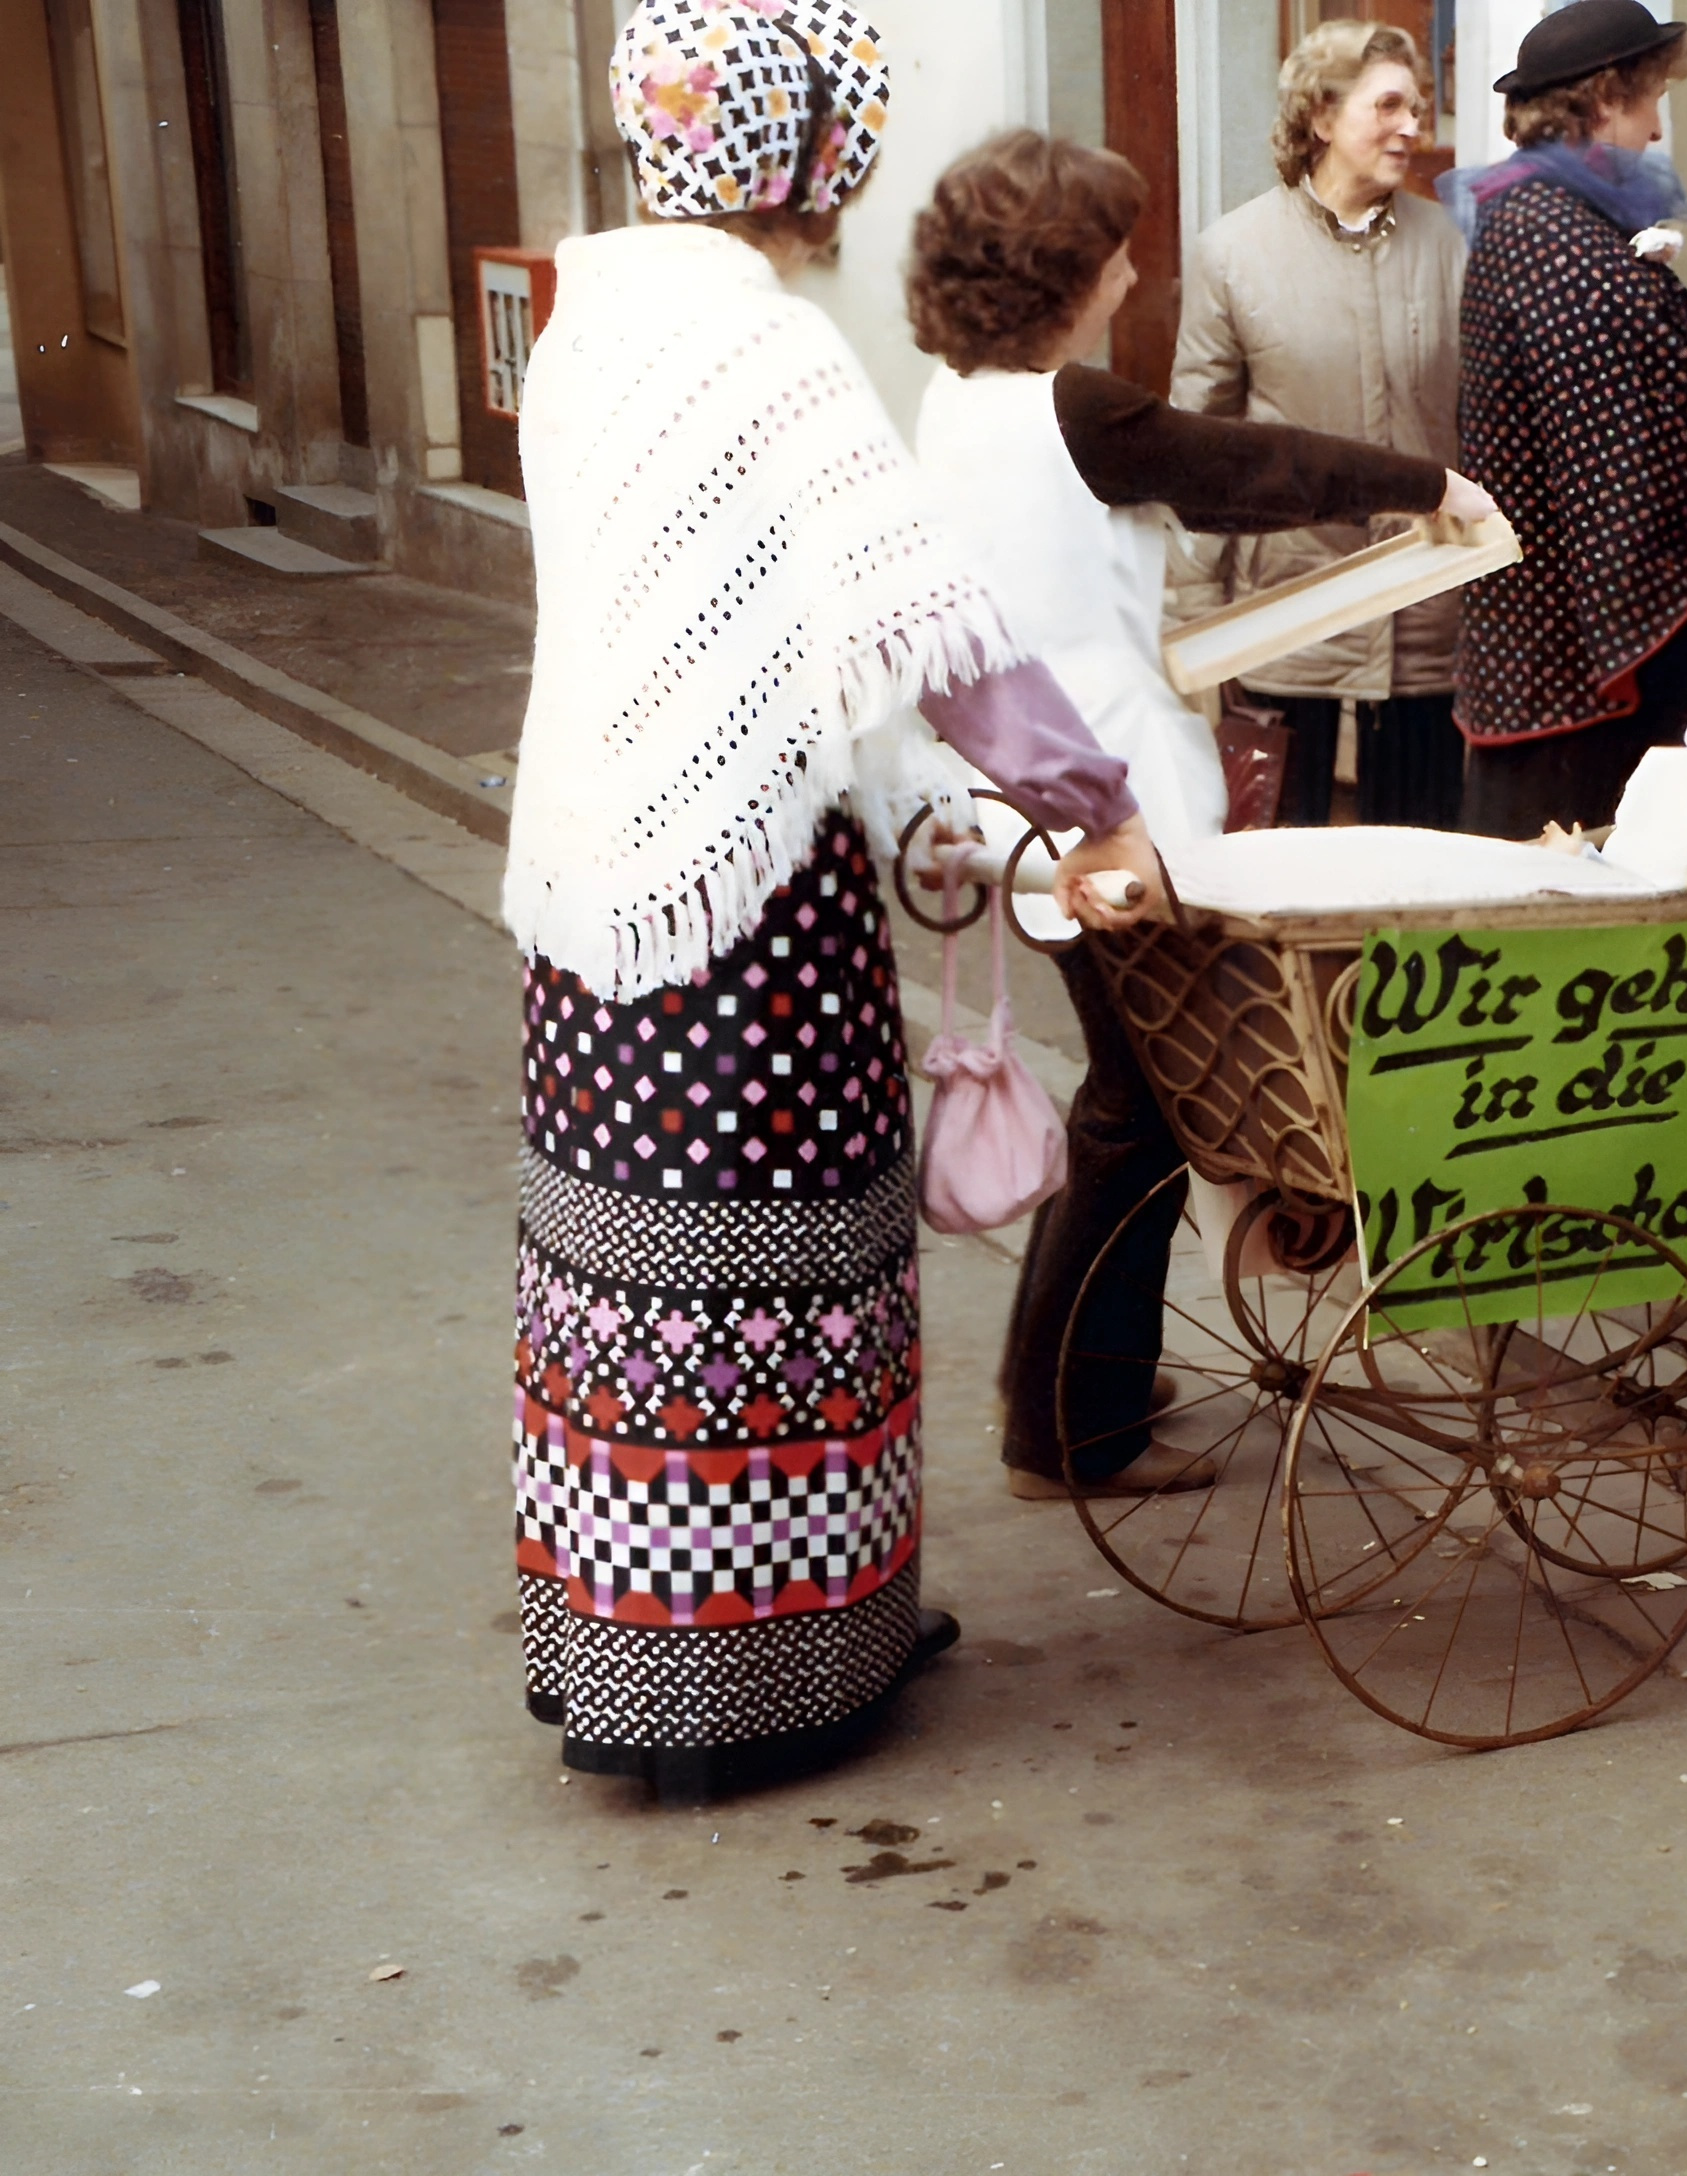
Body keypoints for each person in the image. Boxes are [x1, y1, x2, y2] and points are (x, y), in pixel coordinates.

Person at [505, 0, 1155, 1802]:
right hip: (752, 912)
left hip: (598, 895)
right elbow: (935, 631)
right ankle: (779, 1670)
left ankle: (629, 1661)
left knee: (625, 1272)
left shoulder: (584, 326)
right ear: (805, 157)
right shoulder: (769, 349)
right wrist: (1091, 807)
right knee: (783, 1276)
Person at [897, 130, 1487, 1500]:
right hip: (1107, 804)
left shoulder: (960, 399)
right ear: (1065, 277)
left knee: (1132, 1098)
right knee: (1142, 1109)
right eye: (1114, 251)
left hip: (1029, 791)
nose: (1132, 270)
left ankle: (1072, 1380)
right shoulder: (1074, 409)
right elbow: (1246, 464)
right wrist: (1424, 484)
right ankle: (1071, 1427)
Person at [1446, 0, 1687, 838]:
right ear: (1605, 98)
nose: (1656, 130)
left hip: (1556, 661)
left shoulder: (1540, 217)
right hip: (1583, 686)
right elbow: (1623, 468)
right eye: (1650, 101)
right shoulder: (1559, 239)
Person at [1173, 21, 1471, 829]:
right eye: (1389, 106)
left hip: (1425, 628)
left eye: (1418, 108)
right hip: (1288, 624)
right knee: (1285, 868)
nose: (1413, 128)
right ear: (1321, 116)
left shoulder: (1448, 247)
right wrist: (1199, 627)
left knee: (1421, 871)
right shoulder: (1232, 255)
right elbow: (1196, 456)